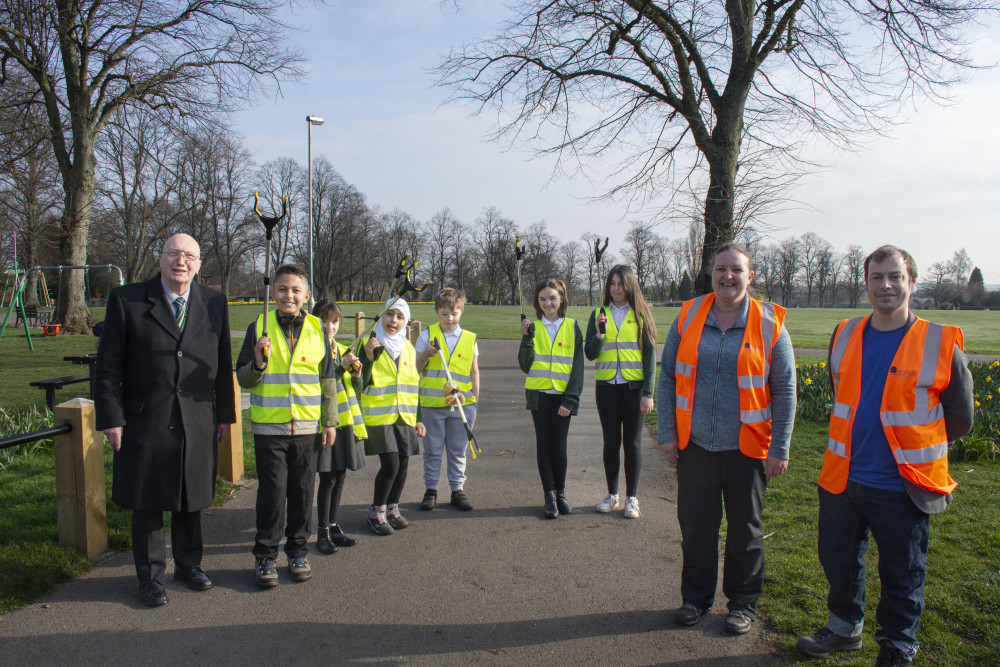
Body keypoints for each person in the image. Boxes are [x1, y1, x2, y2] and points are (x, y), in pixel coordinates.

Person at [797, 245, 973, 667]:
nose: (886, 286)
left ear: (912, 282)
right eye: (877, 278)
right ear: (866, 285)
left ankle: (897, 642)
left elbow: (961, 418)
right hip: (843, 477)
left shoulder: (939, 342)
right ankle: (844, 627)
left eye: (895, 277)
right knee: (838, 560)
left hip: (903, 485)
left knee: (902, 572)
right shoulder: (844, 334)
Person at [656, 242, 796, 635]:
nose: (728, 276)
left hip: (748, 448)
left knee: (745, 529)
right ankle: (695, 600)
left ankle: (743, 605)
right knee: (697, 527)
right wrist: (668, 432)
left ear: (750, 276)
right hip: (696, 444)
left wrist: (779, 447)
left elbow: (784, 389)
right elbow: (667, 374)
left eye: (737, 270)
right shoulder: (688, 315)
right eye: (721, 269)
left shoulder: (770, 323)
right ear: (711, 274)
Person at [94, 233, 236, 607]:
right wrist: (111, 417)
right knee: (147, 500)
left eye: (190, 255)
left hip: (197, 417)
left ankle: (189, 565)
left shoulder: (214, 302)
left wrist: (225, 414)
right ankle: (150, 578)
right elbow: (108, 367)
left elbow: (221, 364)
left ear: (199, 264)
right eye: (174, 253)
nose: (181, 261)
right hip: (145, 418)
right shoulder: (127, 300)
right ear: (160, 258)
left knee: (191, 496)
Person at [236, 265, 337, 588]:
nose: (288, 295)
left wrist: (330, 421)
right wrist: (258, 362)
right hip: (270, 429)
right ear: (272, 293)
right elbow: (244, 378)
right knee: (272, 494)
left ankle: (297, 551)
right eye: (282, 289)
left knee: (302, 492)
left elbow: (328, 381)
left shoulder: (318, 330)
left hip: (307, 429)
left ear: (307, 296)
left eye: (295, 290)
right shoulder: (259, 327)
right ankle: (265, 556)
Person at [585, 265, 657, 519]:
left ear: (629, 285)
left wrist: (648, 392)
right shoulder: (598, 313)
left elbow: (649, 357)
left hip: (633, 388)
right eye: (612, 284)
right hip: (606, 388)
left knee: (633, 442)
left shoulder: (640, 314)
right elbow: (590, 354)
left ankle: (632, 498)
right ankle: (612, 494)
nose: (616, 289)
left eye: (621, 283)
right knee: (611, 441)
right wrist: (598, 334)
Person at [359, 297, 426, 535]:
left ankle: (392, 508)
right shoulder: (370, 345)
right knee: (391, 464)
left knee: (404, 463)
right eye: (389, 314)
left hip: (405, 417)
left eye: (399, 317)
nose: (393, 321)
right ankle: (376, 510)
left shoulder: (408, 348)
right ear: (381, 316)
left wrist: (418, 417)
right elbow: (359, 382)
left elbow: (412, 385)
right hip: (380, 416)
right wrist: (366, 360)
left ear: (406, 321)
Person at [518, 278, 584, 519]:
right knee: (544, 446)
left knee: (559, 446)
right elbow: (525, 365)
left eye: (553, 298)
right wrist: (525, 339)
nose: (548, 303)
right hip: (539, 397)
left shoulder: (572, 327)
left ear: (562, 299)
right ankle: (549, 495)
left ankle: (561, 492)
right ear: (537, 301)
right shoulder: (533, 328)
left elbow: (577, 368)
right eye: (543, 299)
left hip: (562, 397)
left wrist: (571, 400)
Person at [415, 288, 481, 512]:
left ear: (461, 311)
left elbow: (474, 372)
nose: (449, 319)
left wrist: (474, 400)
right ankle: (431, 490)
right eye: (444, 314)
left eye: (453, 313)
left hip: (462, 406)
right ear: (436, 312)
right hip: (432, 406)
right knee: (432, 450)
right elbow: (416, 367)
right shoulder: (427, 336)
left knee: (457, 450)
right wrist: (426, 354)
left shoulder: (470, 339)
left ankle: (457, 490)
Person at [312, 299, 366, 553]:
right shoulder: (314, 350)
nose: (330, 326)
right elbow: (322, 382)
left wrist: (356, 374)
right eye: (324, 320)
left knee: (340, 476)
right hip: (325, 424)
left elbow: (355, 387)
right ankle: (322, 530)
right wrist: (339, 368)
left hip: (345, 423)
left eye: (334, 321)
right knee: (327, 479)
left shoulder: (342, 349)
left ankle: (334, 525)